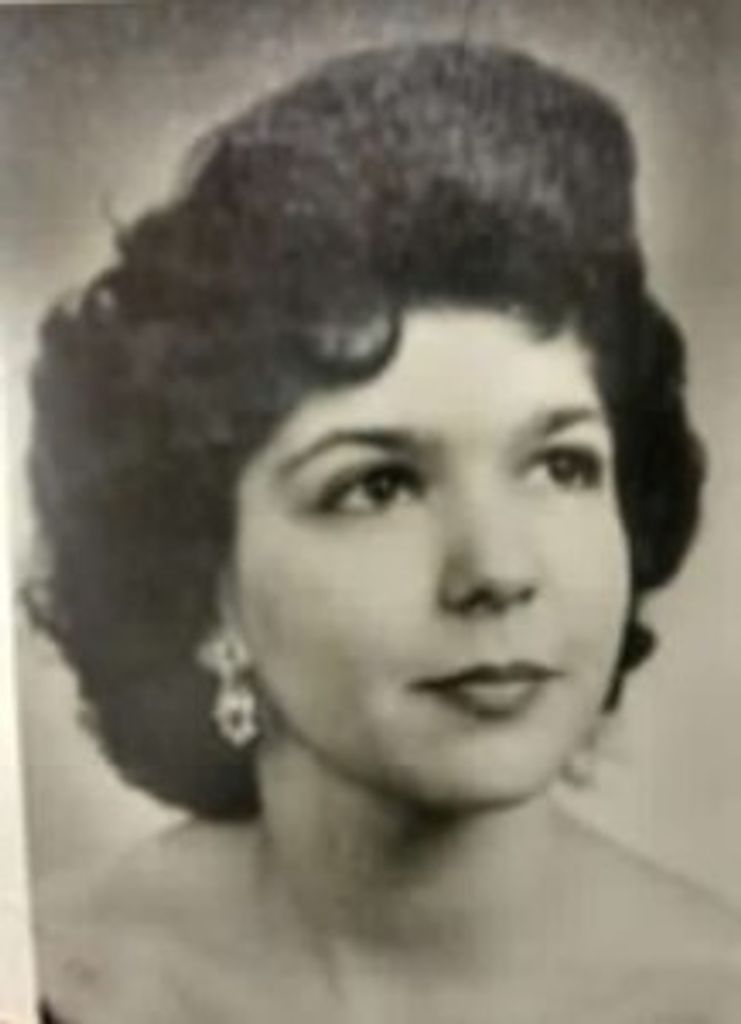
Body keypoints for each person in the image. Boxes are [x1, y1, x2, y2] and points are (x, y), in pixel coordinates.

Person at [30, 41, 741, 1023]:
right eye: (378, 486)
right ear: (206, 583)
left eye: (560, 466)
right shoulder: (50, 974)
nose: (498, 569)